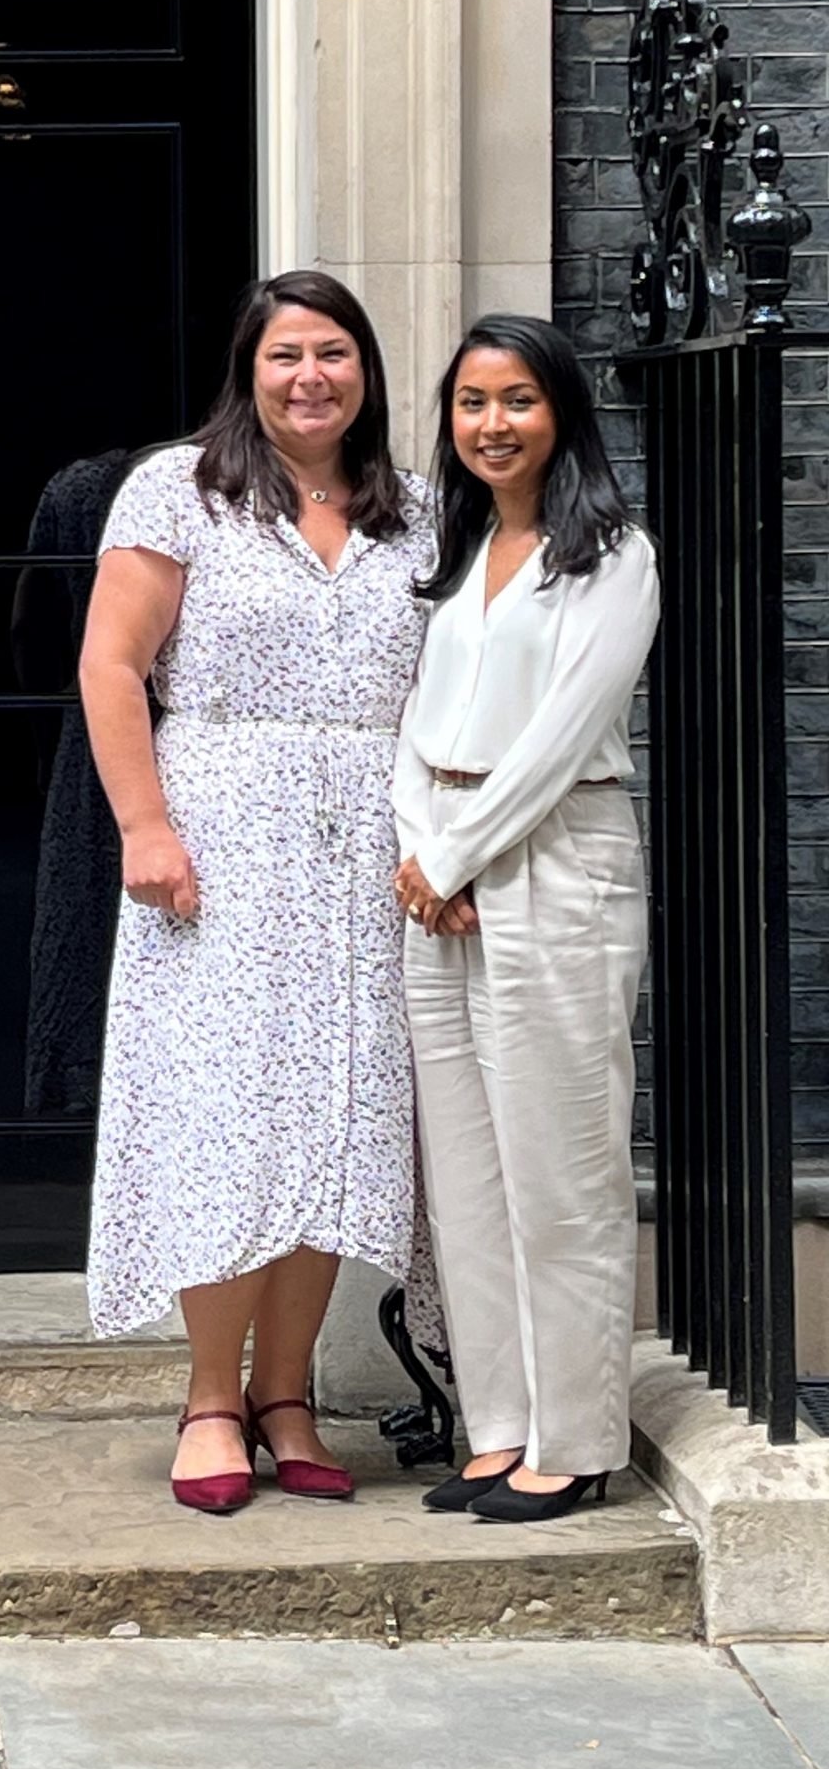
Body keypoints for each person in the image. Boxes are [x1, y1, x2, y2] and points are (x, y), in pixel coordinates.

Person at [79, 271, 435, 1513]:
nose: (310, 378)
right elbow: (113, 666)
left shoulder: (417, 515)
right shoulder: (180, 491)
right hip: (220, 853)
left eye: (334, 354)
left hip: (367, 855)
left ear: (366, 373)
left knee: (336, 1123)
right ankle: (211, 1398)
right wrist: (145, 828)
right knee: (226, 1121)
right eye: (286, 355)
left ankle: (288, 1393)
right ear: (250, 369)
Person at [394, 315, 658, 1524]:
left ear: (562, 413)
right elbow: (415, 715)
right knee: (470, 1173)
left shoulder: (613, 556)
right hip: (437, 879)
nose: (492, 424)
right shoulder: (455, 550)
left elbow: (559, 740)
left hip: (552, 856)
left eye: (517, 401)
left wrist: (448, 852)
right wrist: (419, 846)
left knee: (562, 1165)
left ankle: (578, 1433)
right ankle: (496, 1425)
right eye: (470, 403)